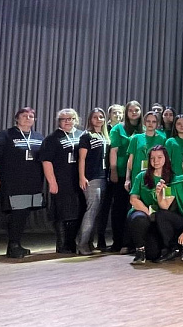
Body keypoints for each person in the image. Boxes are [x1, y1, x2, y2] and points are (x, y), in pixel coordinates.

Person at [0, 107, 45, 258]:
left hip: (33, 182)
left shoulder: (39, 137)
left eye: (31, 116)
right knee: (17, 213)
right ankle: (13, 245)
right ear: (17, 118)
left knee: (24, 213)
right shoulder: (6, 135)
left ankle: (16, 244)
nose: (28, 118)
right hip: (13, 182)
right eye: (24, 115)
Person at [41, 108, 84, 254]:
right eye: (64, 119)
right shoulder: (52, 139)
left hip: (78, 180)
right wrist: (52, 182)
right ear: (59, 121)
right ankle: (62, 244)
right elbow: (46, 161)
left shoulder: (81, 135)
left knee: (77, 212)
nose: (68, 121)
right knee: (62, 212)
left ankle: (72, 242)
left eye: (70, 118)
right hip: (61, 181)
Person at [105, 100, 143, 252]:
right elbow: (113, 151)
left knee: (134, 209)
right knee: (119, 208)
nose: (134, 112)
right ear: (126, 112)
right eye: (131, 110)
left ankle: (133, 242)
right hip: (121, 174)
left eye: (136, 110)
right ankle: (118, 242)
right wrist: (113, 170)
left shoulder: (143, 129)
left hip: (138, 175)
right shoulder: (117, 129)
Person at [127, 145, 172, 264]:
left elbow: (167, 205)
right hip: (142, 212)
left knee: (153, 254)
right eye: (152, 158)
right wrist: (148, 213)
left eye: (159, 157)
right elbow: (133, 199)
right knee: (139, 218)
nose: (156, 161)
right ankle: (139, 250)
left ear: (165, 158)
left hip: (160, 217)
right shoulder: (141, 176)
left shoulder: (172, 178)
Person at [76, 108, 109, 255]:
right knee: (91, 210)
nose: (98, 119)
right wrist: (82, 177)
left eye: (101, 117)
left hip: (103, 177)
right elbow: (82, 158)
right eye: (95, 117)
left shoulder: (104, 136)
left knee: (97, 212)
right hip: (91, 177)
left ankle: (89, 242)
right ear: (90, 119)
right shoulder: (86, 136)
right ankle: (82, 244)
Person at [125, 112, 166, 189]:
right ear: (144, 122)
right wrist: (127, 179)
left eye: (153, 121)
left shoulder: (162, 139)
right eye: (148, 121)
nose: (151, 124)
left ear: (157, 124)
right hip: (137, 174)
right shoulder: (136, 138)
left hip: (155, 175)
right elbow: (130, 160)